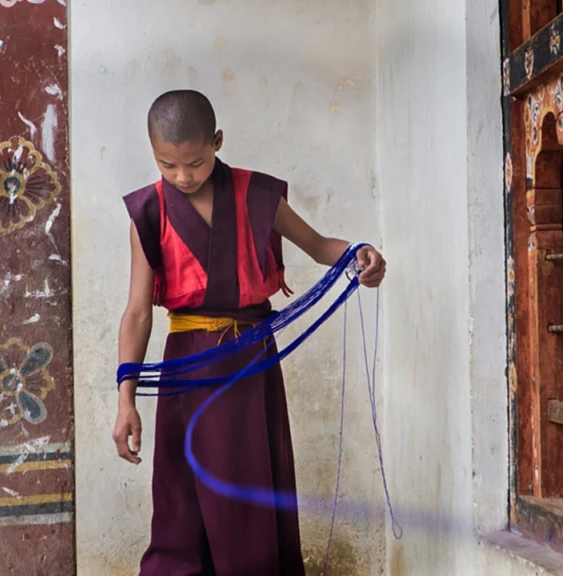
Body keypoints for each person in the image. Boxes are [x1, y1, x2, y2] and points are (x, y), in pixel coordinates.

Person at [113, 89, 386, 576]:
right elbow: (137, 312)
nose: (182, 177)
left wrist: (360, 253)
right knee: (181, 496)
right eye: (167, 166)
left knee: (249, 492)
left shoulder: (258, 195)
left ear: (217, 141)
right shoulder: (149, 213)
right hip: (187, 361)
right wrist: (125, 399)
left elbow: (320, 244)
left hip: (250, 359)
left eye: (194, 162)